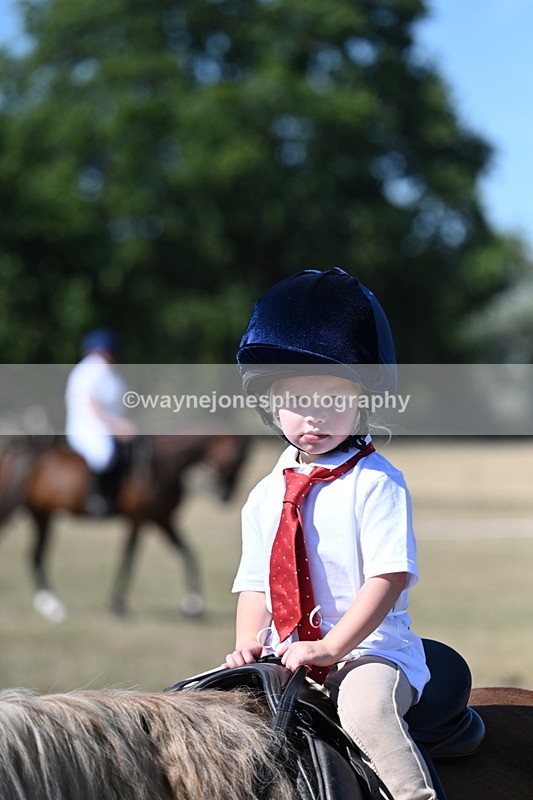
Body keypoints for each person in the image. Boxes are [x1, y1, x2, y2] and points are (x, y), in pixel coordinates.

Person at [224, 268, 437, 800]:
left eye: (331, 397)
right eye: (297, 399)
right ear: (272, 404)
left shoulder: (377, 482)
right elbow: (254, 582)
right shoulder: (265, 494)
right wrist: (248, 642)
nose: (313, 414)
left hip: (369, 652)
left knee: (367, 716)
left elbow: (387, 579)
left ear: (361, 400)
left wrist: (332, 647)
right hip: (287, 652)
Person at [65, 328, 136, 515]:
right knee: (103, 455)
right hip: (87, 428)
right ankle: (97, 499)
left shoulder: (111, 372)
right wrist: (117, 426)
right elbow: (91, 405)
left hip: (107, 427)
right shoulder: (90, 369)